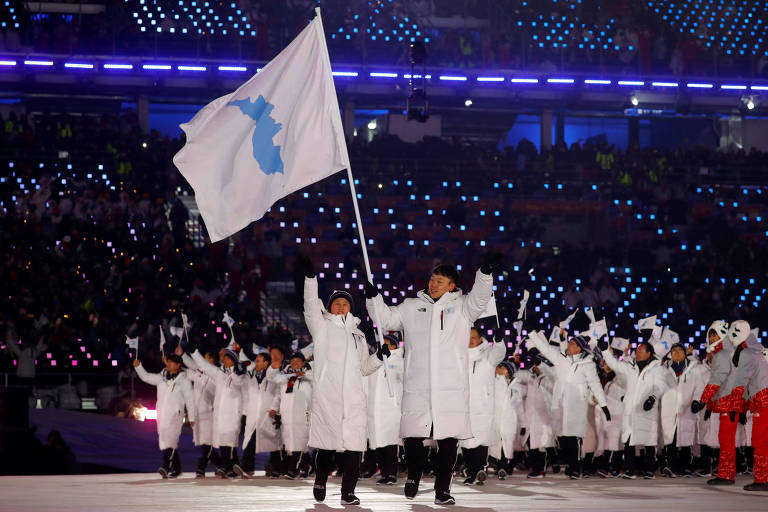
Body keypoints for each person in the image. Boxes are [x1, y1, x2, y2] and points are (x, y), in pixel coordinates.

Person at [365, 255, 498, 505]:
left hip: (450, 388)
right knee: (414, 437)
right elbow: (386, 319)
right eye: (432, 279)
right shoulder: (411, 306)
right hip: (419, 384)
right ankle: (413, 476)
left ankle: (442, 490)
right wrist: (374, 299)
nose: (433, 284)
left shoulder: (463, 307)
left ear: (451, 286)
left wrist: (484, 274)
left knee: (448, 441)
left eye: (439, 281)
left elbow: (480, 297)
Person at [301, 257, 384, 506]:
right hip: (329, 396)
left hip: (354, 398)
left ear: (351, 308)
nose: (340, 306)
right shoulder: (322, 327)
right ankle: (320, 480)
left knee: (354, 447)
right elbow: (309, 307)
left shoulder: (359, 334)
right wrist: (310, 280)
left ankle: (348, 492)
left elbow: (364, 368)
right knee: (326, 446)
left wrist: (379, 358)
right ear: (330, 307)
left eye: (345, 303)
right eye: (336, 303)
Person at [531, 332, 609, 479]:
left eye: (572, 344)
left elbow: (595, 384)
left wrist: (603, 404)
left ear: (579, 348)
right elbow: (546, 348)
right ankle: (569, 465)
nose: (569, 345)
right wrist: (531, 334)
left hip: (576, 406)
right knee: (563, 438)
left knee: (574, 439)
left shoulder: (587, 364)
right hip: (560, 405)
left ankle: (575, 468)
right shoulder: (561, 359)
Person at [599, 340, 675, 479]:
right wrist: (605, 351)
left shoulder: (657, 368)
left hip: (646, 409)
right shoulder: (631, 367)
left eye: (640, 350)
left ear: (649, 353)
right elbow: (615, 364)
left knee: (649, 441)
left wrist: (652, 397)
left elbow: (660, 385)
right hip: (630, 409)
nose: (637, 353)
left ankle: (650, 470)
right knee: (628, 439)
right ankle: (630, 470)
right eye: (637, 350)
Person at [183, 344, 247, 478]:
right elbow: (205, 366)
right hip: (220, 412)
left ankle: (228, 467)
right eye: (225, 358)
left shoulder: (240, 374)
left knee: (229, 440)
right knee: (223, 439)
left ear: (234, 360)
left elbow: (238, 383)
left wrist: (238, 370)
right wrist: (194, 352)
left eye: (229, 358)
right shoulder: (219, 373)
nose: (226, 360)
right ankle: (228, 468)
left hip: (232, 412)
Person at [696, 320, 745, 485]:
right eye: (710, 334)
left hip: (729, 401)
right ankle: (725, 473)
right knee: (726, 439)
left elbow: (718, 378)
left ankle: (726, 475)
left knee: (726, 440)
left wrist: (704, 400)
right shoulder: (725, 352)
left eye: (714, 334)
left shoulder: (723, 353)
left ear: (723, 335)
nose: (711, 337)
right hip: (727, 401)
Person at [133, 354, 195, 478]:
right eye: (169, 362)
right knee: (166, 440)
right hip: (162, 414)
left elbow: (190, 400)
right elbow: (145, 377)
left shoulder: (184, 381)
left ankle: (165, 466)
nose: (169, 364)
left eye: (172, 362)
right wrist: (138, 366)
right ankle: (177, 468)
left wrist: (192, 417)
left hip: (176, 415)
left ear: (178, 365)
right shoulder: (160, 378)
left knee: (171, 439)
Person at [460, 326, 507, 485]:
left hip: (483, 405)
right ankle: (471, 470)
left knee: (481, 439)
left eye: (473, 337)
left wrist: (499, 342)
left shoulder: (488, 355)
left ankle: (478, 469)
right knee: (466, 441)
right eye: (468, 337)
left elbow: (499, 353)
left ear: (480, 339)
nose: (470, 340)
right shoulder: (459, 354)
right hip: (465, 405)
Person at [727, 320, 768, 491]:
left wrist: (734, 405)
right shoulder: (755, 352)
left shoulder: (747, 353)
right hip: (760, 399)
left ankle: (762, 479)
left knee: (760, 440)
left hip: (763, 401)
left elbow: (741, 381)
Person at [659, 343, 709, 477]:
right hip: (669, 408)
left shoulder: (694, 369)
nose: (676, 352)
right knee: (670, 439)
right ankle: (670, 466)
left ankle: (686, 467)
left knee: (686, 439)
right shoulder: (664, 369)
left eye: (679, 350)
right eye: (673, 350)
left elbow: (700, 387)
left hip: (686, 408)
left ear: (685, 352)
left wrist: (696, 401)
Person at [366, 333, 404, 485]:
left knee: (391, 443)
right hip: (375, 410)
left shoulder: (399, 361)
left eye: (387, 344)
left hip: (391, 410)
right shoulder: (374, 362)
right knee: (379, 443)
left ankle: (392, 473)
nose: (383, 347)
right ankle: (384, 473)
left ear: (394, 346)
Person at [178, 345, 221, 477]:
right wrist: (181, 356)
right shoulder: (199, 372)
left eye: (205, 357)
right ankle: (219, 466)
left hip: (209, 413)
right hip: (196, 413)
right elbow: (191, 366)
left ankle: (208, 466)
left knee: (206, 443)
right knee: (202, 442)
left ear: (212, 360)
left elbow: (212, 390)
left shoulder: (217, 374)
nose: (201, 360)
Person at [238, 351, 281, 478]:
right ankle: (247, 468)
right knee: (250, 441)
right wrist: (245, 412)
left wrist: (274, 408)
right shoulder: (251, 378)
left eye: (258, 361)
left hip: (268, 414)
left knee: (272, 442)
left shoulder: (273, 376)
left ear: (266, 363)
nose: (255, 363)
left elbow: (279, 393)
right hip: (253, 415)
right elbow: (246, 396)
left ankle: (275, 468)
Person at [274, 352, 313, 479]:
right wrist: (275, 410)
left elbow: (316, 377)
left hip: (303, 414)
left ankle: (293, 470)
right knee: (291, 443)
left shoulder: (310, 374)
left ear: (303, 363)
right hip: (287, 415)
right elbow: (276, 380)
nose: (295, 363)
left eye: (298, 361)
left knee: (300, 441)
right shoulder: (286, 378)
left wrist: (304, 373)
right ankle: (306, 467)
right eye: (293, 361)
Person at [489, 360, 526, 480]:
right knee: (493, 444)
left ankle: (503, 468)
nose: (498, 368)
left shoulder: (516, 387)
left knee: (506, 444)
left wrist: (524, 424)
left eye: (502, 367)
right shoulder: (494, 382)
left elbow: (519, 407)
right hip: (495, 418)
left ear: (508, 372)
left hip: (508, 420)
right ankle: (495, 466)